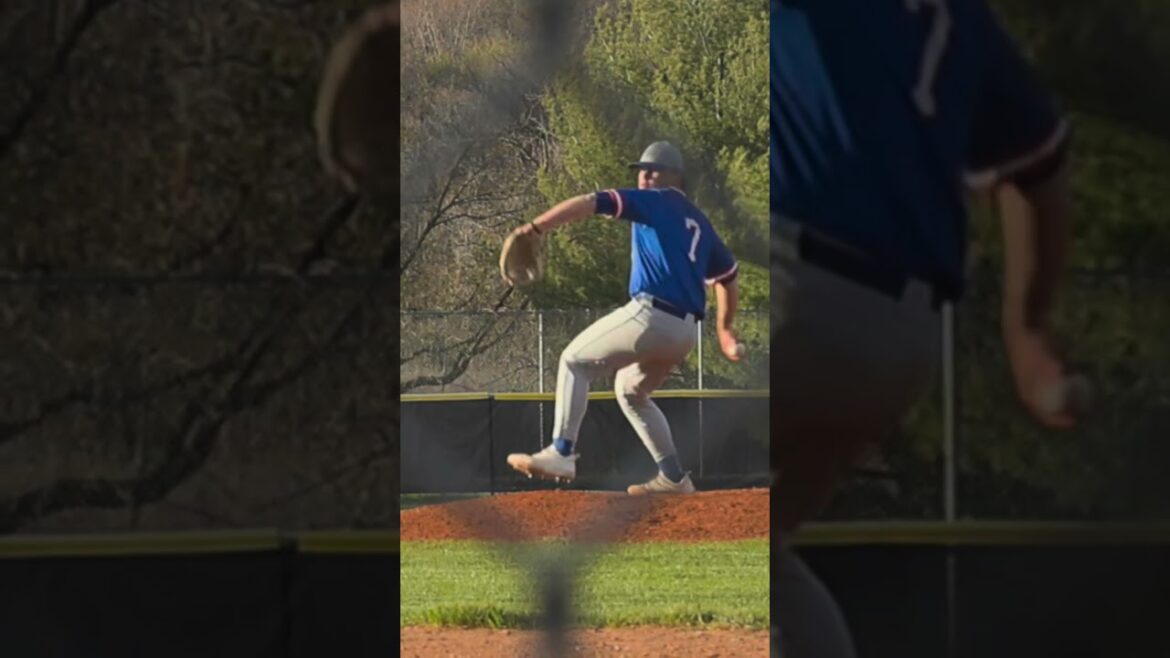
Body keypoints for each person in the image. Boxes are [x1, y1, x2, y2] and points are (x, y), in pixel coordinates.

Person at [771, 0, 1077, 655]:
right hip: (898, 342)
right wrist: (1027, 333)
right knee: (755, 553)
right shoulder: (962, 20)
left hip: (786, 290)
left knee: (606, 489)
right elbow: (1040, 168)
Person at [505, 141, 742, 495]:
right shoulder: (700, 222)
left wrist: (535, 228)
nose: (644, 175)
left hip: (652, 315)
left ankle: (561, 452)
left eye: (653, 169)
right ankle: (674, 477)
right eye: (642, 170)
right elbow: (728, 275)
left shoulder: (655, 200)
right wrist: (724, 329)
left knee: (573, 361)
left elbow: (592, 202)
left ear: (675, 177)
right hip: (684, 332)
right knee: (631, 390)